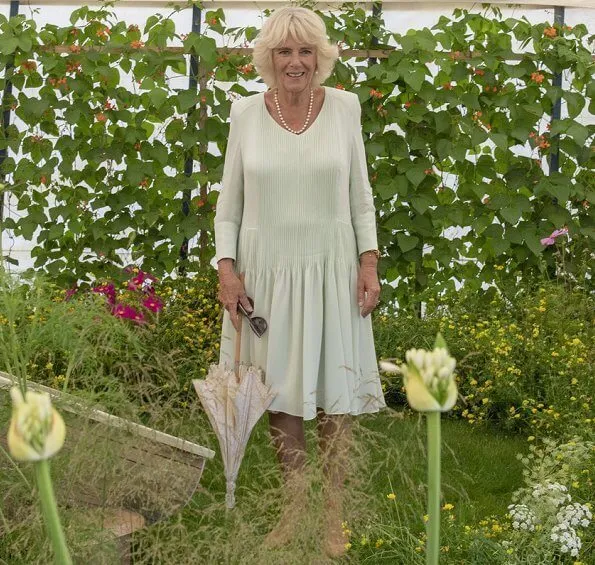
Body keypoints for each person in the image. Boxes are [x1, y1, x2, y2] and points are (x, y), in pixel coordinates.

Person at [214, 6, 386, 558]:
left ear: (321, 57)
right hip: (267, 273)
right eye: (285, 52)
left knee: (335, 393)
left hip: (332, 267)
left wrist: (368, 263)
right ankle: (295, 507)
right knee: (281, 394)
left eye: (306, 51)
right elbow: (228, 208)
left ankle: (332, 513)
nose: (296, 62)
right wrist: (227, 268)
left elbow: (361, 194)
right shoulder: (243, 112)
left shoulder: (345, 109)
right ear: (268, 59)